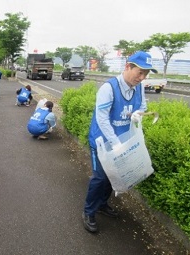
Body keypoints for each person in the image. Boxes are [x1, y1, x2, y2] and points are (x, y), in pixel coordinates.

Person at [82, 51, 157, 233]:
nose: (142, 77)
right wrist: (116, 145)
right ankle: (88, 211)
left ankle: (102, 204)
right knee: (100, 178)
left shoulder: (138, 87)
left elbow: (142, 107)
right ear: (127, 67)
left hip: (122, 142)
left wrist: (138, 114)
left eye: (146, 74)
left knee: (112, 177)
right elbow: (102, 119)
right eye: (139, 72)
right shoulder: (109, 88)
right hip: (103, 142)